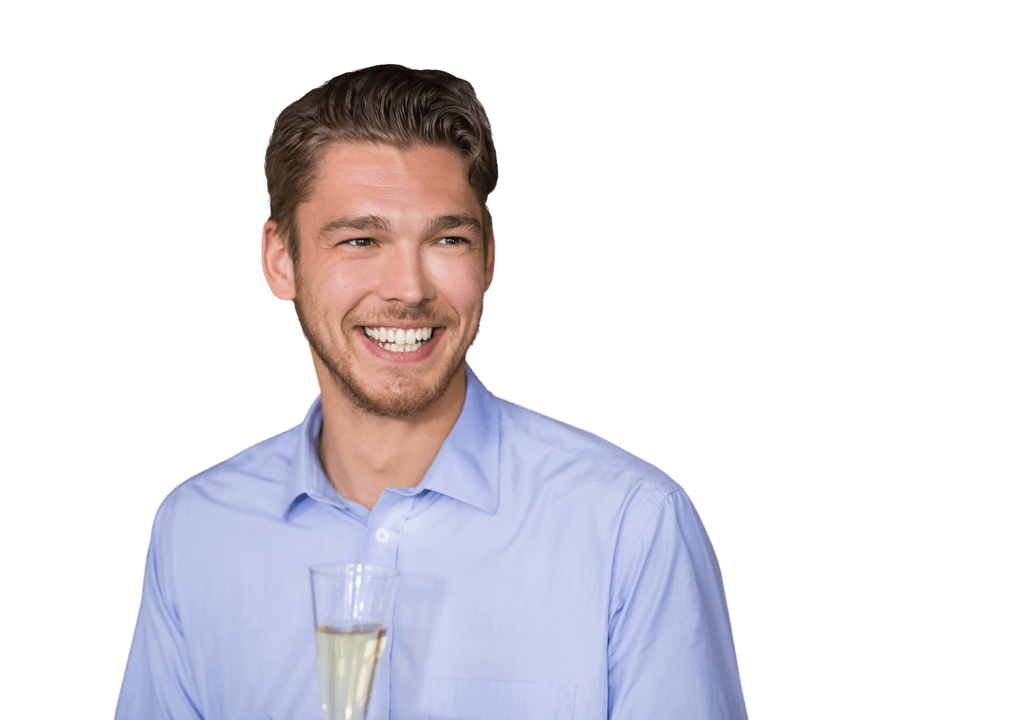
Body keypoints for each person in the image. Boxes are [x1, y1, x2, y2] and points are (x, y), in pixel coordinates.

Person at [116, 64, 749, 720]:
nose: (410, 289)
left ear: (490, 257)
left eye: (447, 239)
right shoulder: (195, 531)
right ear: (282, 260)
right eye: (361, 240)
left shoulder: (631, 529)